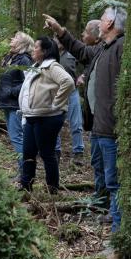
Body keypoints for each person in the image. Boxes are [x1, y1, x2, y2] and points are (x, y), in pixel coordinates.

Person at [43, 7, 126, 232]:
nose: (98, 24)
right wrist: (60, 31)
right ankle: (104, 208)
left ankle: (119, 231)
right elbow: (80, 50)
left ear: (109, 23)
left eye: (101, 20)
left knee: (114, 179)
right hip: (98, 125)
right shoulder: (102, 48)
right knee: (99, 169)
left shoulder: (121, 48)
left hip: (111, 127)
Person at [18, 36, 75, 194]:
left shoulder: (52, 67)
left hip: (47, 118)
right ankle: (26, 186)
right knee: (28, 152)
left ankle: (52, 189)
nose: (33, 50)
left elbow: (68, 82)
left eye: (36, 47)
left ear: (44, 51)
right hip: (32, 116)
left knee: (46, 153)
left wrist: (55, 103)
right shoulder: (36, 66)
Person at [0, 31, 34, 178]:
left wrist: (11, 91)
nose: (12, 38)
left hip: (15, 104)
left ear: (23, 44)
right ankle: (23, 170)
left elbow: (29, 81)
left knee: (17, 137)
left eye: (16, 37)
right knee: (15, 136)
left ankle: (25, 172)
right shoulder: (9, 57)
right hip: (6, 103)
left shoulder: (25, 60)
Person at [53, 37, 84, 166]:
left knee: (76, 123)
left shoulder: (73, 54)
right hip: (56, 92)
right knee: (54, 123)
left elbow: (86, 63)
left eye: (61, 40)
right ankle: (56, 151)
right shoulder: (51, 55)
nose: (58, 42)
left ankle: (78, 152)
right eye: (56, 40)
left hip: (72, 92)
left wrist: (83, 75)